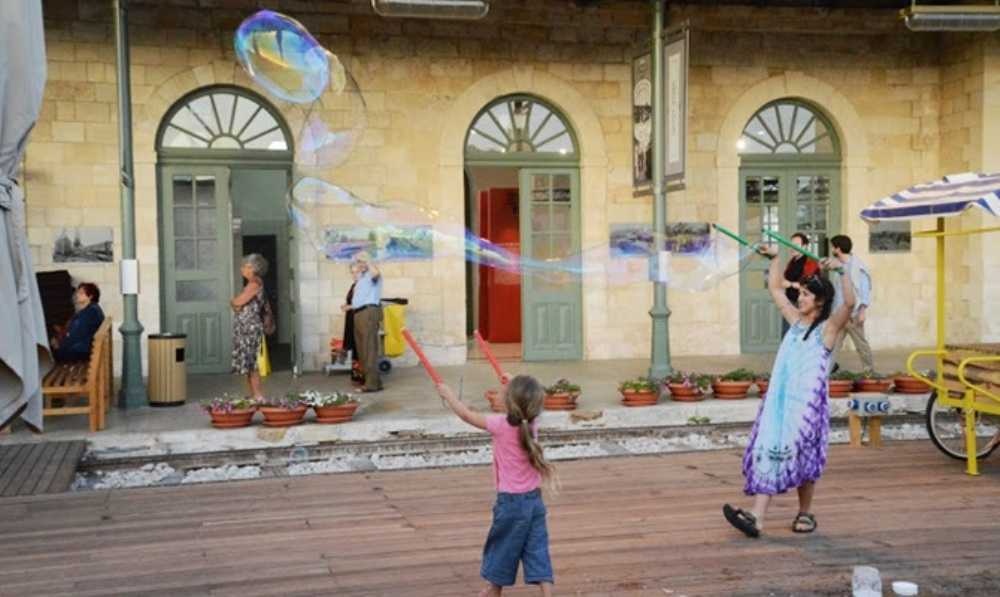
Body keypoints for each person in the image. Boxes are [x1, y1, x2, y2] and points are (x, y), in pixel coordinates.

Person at [722, 244, 855, 538]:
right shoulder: (795, 322)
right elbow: (775, 289)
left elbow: (848, 304)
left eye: (807, 294)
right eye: (802, 293)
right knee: (770, 447)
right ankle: (756, 516)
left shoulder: (828, 330)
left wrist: (843, 270)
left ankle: (805, 512)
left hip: (807, 406)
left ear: (820, 301)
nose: (801, 297)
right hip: (781, 403)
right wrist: (774, 258)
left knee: (803, 454)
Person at [436, 375, 555, 596]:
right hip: (535, 501)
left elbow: (466, 415)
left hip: (511, 503)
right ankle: (548, 593)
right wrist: (512, 382)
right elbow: (527, 400)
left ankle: (494, 591)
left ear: (509, 401)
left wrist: (449, 396)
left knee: (502, 547)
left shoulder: (500, 425)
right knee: (537, 548)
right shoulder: (532, 423)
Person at [829, 234, 874, 372]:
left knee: (861, 345)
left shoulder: (858, 266)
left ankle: (869, 372)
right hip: (839, 314)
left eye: (832, 246)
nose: (831, 249)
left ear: (838, 248)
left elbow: (864, 291)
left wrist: (862, 311)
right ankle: (824, 373)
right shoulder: (837, 265)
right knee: (832, 344)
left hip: (853, 315)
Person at [231, 254, 268, 399]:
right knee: (248, 363)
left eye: (245, 266)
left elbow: (238, 302)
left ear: (253, 268)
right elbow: (237, 304)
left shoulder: (254, 284)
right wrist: (236, 304)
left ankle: (258, 396)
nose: (242, 269)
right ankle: (253, 395)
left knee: (251, 363)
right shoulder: (251, 283)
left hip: (250, 327)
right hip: (245, 326)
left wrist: (234, 303)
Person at [350, 252, 383, 393]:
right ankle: (371, 381)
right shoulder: (362, 278)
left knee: (369, 348)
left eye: (361, 261)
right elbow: (361, 298)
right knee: (362, 349)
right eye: (357, 261)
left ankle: (372, 384)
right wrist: (350, 307)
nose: (359, 264)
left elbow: (376, 274)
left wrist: (367, 261)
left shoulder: (372, 273)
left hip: (368, 313)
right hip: (359, 313)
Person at [50, 282, 105, 363]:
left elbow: (76, 335)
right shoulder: (91, 309)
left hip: (81, 352)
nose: (77, 295)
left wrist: (59, 346)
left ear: (90, 296)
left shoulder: (90, 312)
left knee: (45, 351)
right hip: (85, 349)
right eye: (78, 292)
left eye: (81, 293)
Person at [779, 232, 820, 337]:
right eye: (791, 244)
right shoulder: (792, 261)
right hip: (789, 301)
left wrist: (791, 284)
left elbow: (809, 285)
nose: (792, 248)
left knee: (800, 335)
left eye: (796, 245)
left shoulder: (810, 262)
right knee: (787, 335)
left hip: (802, 304)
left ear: (805, 246)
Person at [339, 261, 364, 385]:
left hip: (358, 317)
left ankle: (363, 377)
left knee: (360, 348)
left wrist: (349, 307)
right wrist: (346, 305)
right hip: (351, 318)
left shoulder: (364, 285)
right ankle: (357, 376)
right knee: (354, 348)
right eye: (352, 272)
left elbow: (363, 303)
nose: (354, 275)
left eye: (357, 272)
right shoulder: (354, 285)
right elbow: (351, 301)